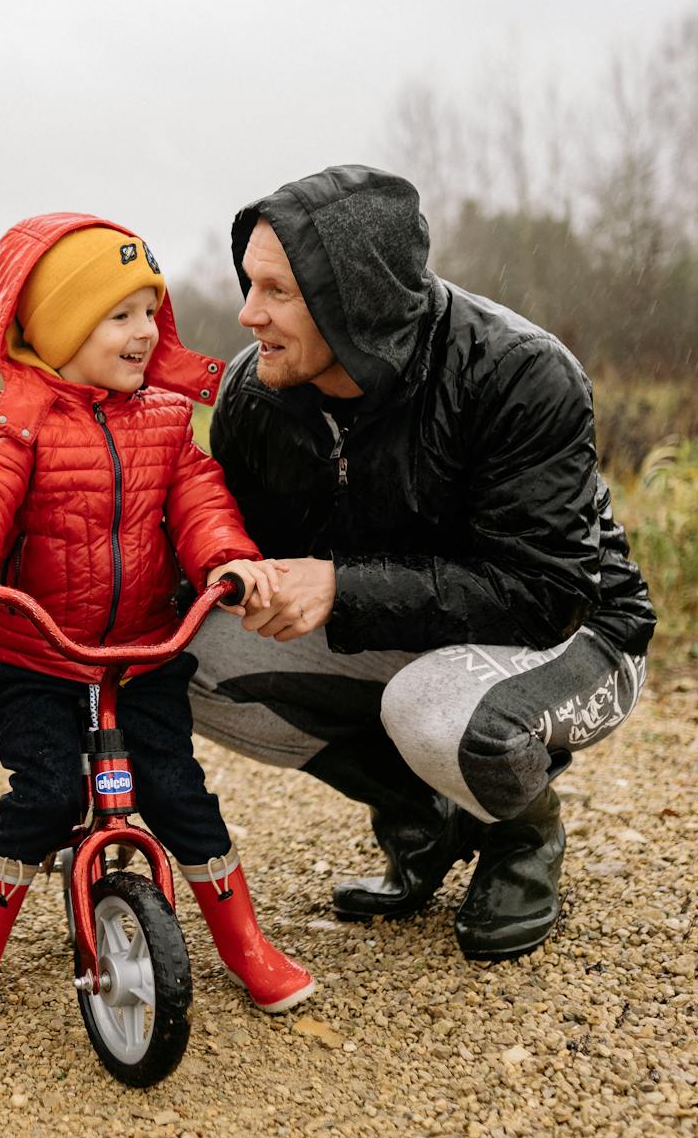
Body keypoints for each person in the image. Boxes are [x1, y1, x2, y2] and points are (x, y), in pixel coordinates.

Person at [188, 167, 658, 961]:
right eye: (249, 284)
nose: (247, 314)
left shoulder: (520, 372)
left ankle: (520, 840)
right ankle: (426, 818)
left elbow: (545, 592)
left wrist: (339, 586)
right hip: (409, 624)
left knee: (435, 710)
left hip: (581, 631)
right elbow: (226, 545)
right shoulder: (255, 392)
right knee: (179, 650)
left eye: (276, 291)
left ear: (352, 299)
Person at [0, 215, 314, 1020]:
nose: (145, 332)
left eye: (151, 311)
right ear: (60, 328)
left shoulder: (165, 420)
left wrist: (226, 557)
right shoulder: (18, 423)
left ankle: (247, 945)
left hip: (141, 656)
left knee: (178, 795)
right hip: (39, 659)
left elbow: (197, 495)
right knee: (46, 794)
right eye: (120, 314)